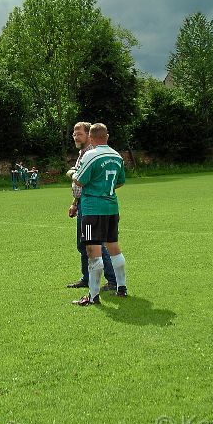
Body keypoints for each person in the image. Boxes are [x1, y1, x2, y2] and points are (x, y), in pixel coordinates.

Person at [71, 122, 128, 306]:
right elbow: (120, 182)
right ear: (107, 136)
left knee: (92, 250)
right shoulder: (117, 156)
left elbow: (79, 181)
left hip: (93, 210)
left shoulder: (91, 155)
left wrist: (71, 173)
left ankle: (93, 296)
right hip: (111, 208)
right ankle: (121, 287)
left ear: (92, 138)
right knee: (113, 247)